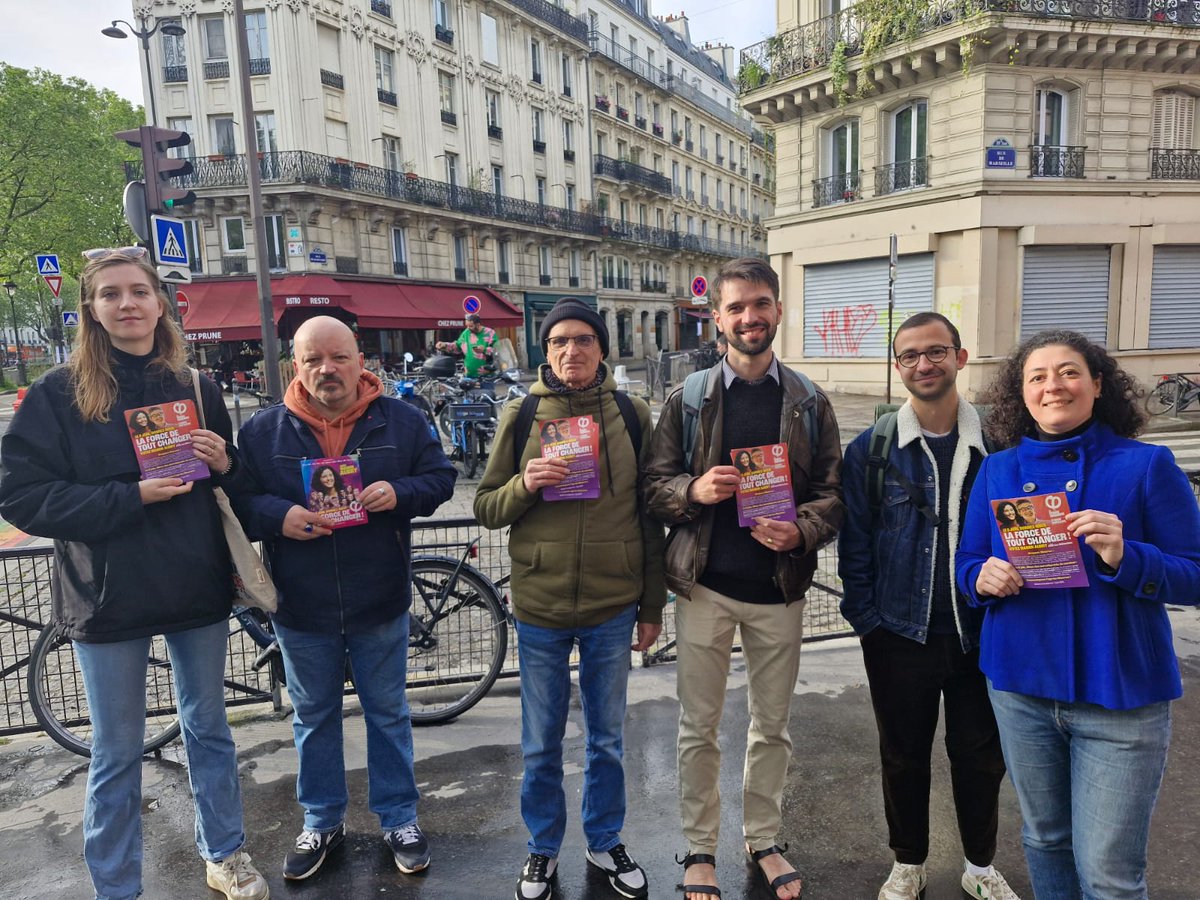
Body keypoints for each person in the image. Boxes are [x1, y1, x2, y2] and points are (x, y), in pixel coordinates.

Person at [0, 247, 269, 900]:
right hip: (108, 598)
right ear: (90, 309)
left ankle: (225, 853)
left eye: (139, 291)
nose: (127, 304)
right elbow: (20, 495)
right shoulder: (58, 395)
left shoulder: (198, 387)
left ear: (159, 301)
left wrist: (227, 460)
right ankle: (116, 887)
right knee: (116, 753)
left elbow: (240, 486)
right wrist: (130, 497)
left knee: (210, 732)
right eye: (111, 294)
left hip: (195, 587)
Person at [956, 329, 1200, 899]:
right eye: (1036, 376)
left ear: (1096, 383)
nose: (1052, 386)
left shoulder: (1145, 465)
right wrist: (980, 577)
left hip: (1120, 697)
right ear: (1021, 393)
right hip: (1021, 689)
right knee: (1044, 842)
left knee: (1110, 875)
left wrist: (1127, 555)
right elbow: (968, 561)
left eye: (1068, 372)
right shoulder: (999, 470)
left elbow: (1194, 573)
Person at [644, 257, 844, 900]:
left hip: (778, 590)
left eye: (760, 305)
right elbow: (653, 487)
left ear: (778, 310)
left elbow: (832, 493)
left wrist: (803, 529)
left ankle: (764, 838)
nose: (749, 318)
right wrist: (692, 490)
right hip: (705, 586)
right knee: (697, 727)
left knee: (771, 726)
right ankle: (700, 848)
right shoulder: (690, 398)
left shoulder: (809, 401)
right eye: (736, 308)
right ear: (717, 316)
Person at [232, 316, 456, 882]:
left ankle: (399, 818)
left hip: (378, 596)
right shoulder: (263, 432)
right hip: (301, 603)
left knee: (388, 714)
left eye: (337, 357)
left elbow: (440, 479)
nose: (326, 370)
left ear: (360, 361)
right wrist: (279, 516)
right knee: (313, 717)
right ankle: (322, 820)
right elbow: (238, 500)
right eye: (312, 360)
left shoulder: (402, 421)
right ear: (296, 366)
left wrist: (398, 493)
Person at [474, 297, 666, 900]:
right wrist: (524, 484)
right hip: (540, 606)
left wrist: (653, 606)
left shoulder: (634, 415)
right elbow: (485, 507)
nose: (571, 351)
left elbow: (650, 516)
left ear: (602, 348)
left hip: (613, 604)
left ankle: (604, 839)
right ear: (546, 351)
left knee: (607, 738)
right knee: (541, 741)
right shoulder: (523, 413)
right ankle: (541, 848)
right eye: (558, 341)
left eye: (583, 340)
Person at [838, 312, 1018, 900]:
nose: (924, 364)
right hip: (898, 635)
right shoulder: (872, 449)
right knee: (902, 756)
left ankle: (979, 864)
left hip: (981, 634)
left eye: (936, 352)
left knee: (980, 759)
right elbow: (856, 545)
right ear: (898, 367)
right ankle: (908, 862)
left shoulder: (1002, 446)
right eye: (910, 355)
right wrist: (867, 623)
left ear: (960, 358)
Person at [436, 313, 497, 379]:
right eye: (466, 326)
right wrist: (445, 345)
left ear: (478, 324)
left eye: (471, 326)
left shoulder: (490, 333)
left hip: (486, 377)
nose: (468, 328)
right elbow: (457, 347)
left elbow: (498, 351)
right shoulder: (466, 333)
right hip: (468, 376)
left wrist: (484, 350)